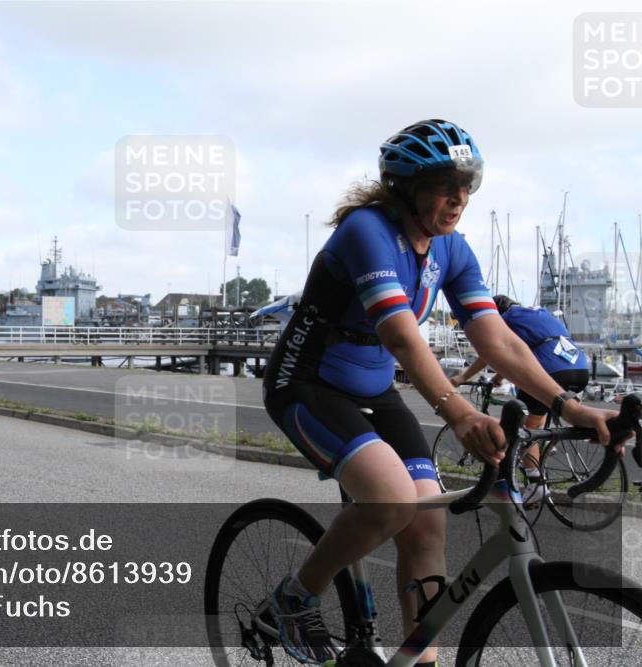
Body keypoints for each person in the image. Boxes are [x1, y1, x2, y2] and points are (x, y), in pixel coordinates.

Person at [261, 119, 621, 666]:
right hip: (306, 383)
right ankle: (293, 598)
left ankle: (417, 661)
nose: (459, 199)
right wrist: (458, 415)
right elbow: (402, 335)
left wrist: (566, 405)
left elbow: (497, 338)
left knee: (427, 520)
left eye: (467, 186)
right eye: (444, 185)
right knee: (391, 499)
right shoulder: (367, 231)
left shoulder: (451, 249)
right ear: (404, 186)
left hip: (374, 390)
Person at [450, 295, 590, 503]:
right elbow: (519, 352)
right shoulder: (538, 313)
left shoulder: (504, 319)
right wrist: (498, 377)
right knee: (540, 420)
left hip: (552, 371)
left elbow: (489, 353)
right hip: (579, 369)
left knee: (526, 428)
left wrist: (462, 378)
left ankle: (535, 484)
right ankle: (542, 452)